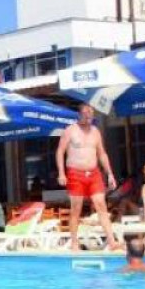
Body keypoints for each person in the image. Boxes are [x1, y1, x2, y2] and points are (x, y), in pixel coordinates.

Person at [56, 103, 120, 251]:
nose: (89, 115)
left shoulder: (96, 132)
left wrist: (110, 174)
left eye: (91, 113)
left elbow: (102, 153)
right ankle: (74, 242)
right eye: (85, 113)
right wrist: (61, 173)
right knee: (76, 208)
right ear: (79, 114)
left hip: (94, 173)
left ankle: (112, 241)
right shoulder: (70, 131)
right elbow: (60, 151)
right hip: (75, 173)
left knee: (101, 205)